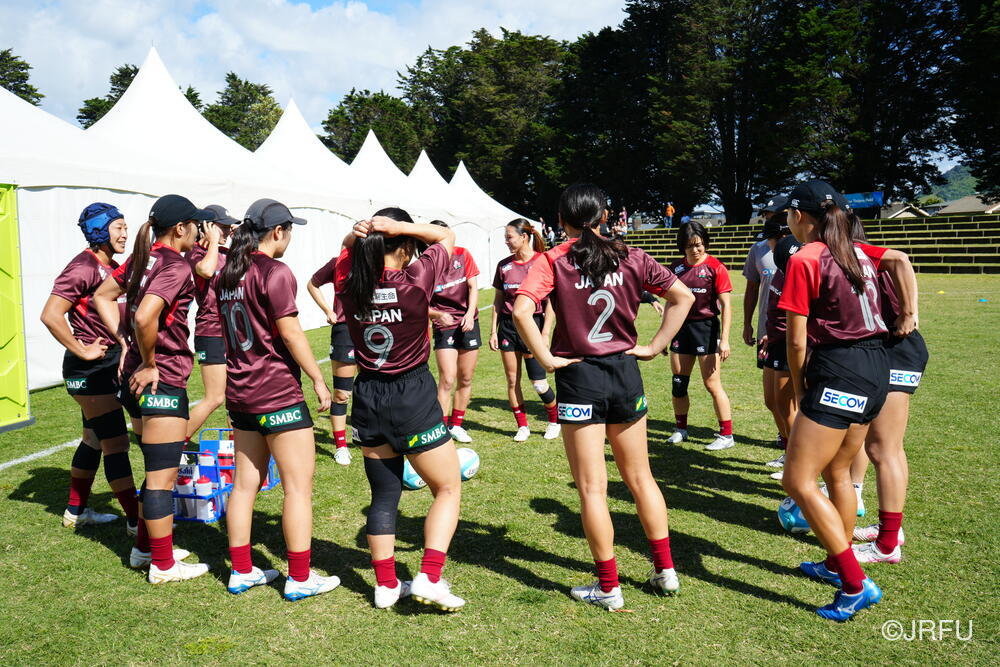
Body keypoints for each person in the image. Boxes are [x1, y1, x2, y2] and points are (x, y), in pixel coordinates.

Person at [513, 183, 695, 610]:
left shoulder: (552, 260)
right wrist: (654, 346)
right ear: (606, 217)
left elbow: (521, 310)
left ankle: (609, 587)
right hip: (624, 371)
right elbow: (682, 296)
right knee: (641, 478)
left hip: (579, 376)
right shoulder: (631, 255)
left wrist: (546, 359)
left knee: (593, 489)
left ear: (561, 221)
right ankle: (665, 570)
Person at [779, 180, 915, 621]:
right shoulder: (856, 250)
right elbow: (898, 262)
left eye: (788, 214)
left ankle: (855, 585)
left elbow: (796, 340)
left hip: (841, 369)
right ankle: (837, 565)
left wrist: (800, 387)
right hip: (876, 366)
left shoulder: (806, 258)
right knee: (838, 471)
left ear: (799, 216)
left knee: (797, 481)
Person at [334, 208, 464, 611]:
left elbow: (345, 250)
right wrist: (403, 227)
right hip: (411, 394)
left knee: (384, 495)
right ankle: (429, 577)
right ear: (406, 246)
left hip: (368, 395)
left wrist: (357, 234)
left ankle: (386, 585)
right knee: (448, 487)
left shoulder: (349, 281)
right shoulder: (416, 278)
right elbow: (447, 237)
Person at [217, 198, 339, 600]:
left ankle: (241, 570)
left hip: (241, 394)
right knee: (297, 488)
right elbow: (290, 332)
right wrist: (318, 379)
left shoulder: (227, 272)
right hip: (277, 393)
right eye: (289, 231)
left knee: (243, 486)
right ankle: (300, 577)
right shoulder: (275, 271)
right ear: (278, 231)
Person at [93, 194, 214, 583]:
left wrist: (125, 342)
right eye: (195, 225)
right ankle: (162, 565)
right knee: (162, 478)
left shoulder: (142, 258)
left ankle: (144, 550)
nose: (198, 232)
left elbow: (102, 296)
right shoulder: (175, 265)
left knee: (155, 472)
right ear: (180, 228)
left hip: (134, 379)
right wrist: (148, 360)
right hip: (159, 379)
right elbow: (145, 316)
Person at [40, 203, 138, 533]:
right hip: (89, 370)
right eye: (118, 227)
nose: (125, 233)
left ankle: (75, 511)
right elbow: (51, 314)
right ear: (99, 231)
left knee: (94, 438)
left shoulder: (111, 266)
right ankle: (136, 521)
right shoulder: (83, 267)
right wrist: (82, 349)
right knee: (117, 443)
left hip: (105, 365)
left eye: (125, 227)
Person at [847, 218, 924, 565]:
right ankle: (891, 531)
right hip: (892, 350)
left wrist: (909, 313)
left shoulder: (859, 252)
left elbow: (901, 259)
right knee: (889, 448)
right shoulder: (857, 256)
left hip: (896, 351)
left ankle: (888, 545)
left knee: (881, 448)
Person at [665, 221, 736, 451]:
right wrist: (664, 335)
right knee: (678, 383)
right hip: (681, 329)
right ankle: (680, 429)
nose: (695, 250)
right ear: (682, 247)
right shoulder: (676, 269)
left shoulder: (716, 267)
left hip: (706, 329)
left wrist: (725, 339)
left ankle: (726, 435)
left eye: (699, 245)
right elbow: (670, 304)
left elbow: (726, 306)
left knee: (712, 384)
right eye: (690, 246)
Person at [489, 219, 560, 442]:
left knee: (538, 383)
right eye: (505, 238)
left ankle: (554, 420)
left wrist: (545, 332)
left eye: (510, 237)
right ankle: (522, 426)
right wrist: (493, 331)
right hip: (507, 327)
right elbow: (498, 301)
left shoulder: (542, 262)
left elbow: (551, 303)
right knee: (512, 380)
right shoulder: (503, 266)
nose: (506, 242)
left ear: (524, 237)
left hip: (532, 325)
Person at [741, 198, 790, 467]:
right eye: (767, 214)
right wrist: (748, 323)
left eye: (774, 214)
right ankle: (787, 444)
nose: (768, 217)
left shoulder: (800, 249)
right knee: (772, 401)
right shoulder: (759, 248)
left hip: (791, 335)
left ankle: (796, 455)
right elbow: (752, 288)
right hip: (766, 333)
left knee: (788, 401)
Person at [184, 205, 240, 441]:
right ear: (206, 227)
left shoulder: (226, 252)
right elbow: (206, 271)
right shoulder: (196, 253)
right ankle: (176, 445)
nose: (227, 231)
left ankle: (236, 447)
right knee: (215, 397)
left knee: (236, 395)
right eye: (222, 226)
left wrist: (239, 239)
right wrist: (214, 241)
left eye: (228, 227)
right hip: (211, 332)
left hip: (234, 332)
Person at [427, 220, 481, 444]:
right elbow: (419, 303)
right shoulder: (427, 264)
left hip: (468, 322)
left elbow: (473, 287)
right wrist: (438, 315)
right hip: (444, 325)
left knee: (465, 378)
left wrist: (469, 314)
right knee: (447, 379)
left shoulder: (463, 254)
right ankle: (441, 428)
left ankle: (456, 425)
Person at [307, 247, 357, 466]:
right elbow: (312, 284)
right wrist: (328, 310)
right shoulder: (338, 262)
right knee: (342, 393)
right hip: (345, 331)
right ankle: (341, 446)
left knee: (373, 387)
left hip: (375, 329)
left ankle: (367, 434)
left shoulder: (380, 261)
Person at [760, 235, 802, 481]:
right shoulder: (781, 271)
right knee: (772, 401)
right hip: (775, 342)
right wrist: (770, 334)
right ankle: (789, 453)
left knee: (787, 407)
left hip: (789, 344)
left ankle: (797, 464)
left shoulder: (798, 276)